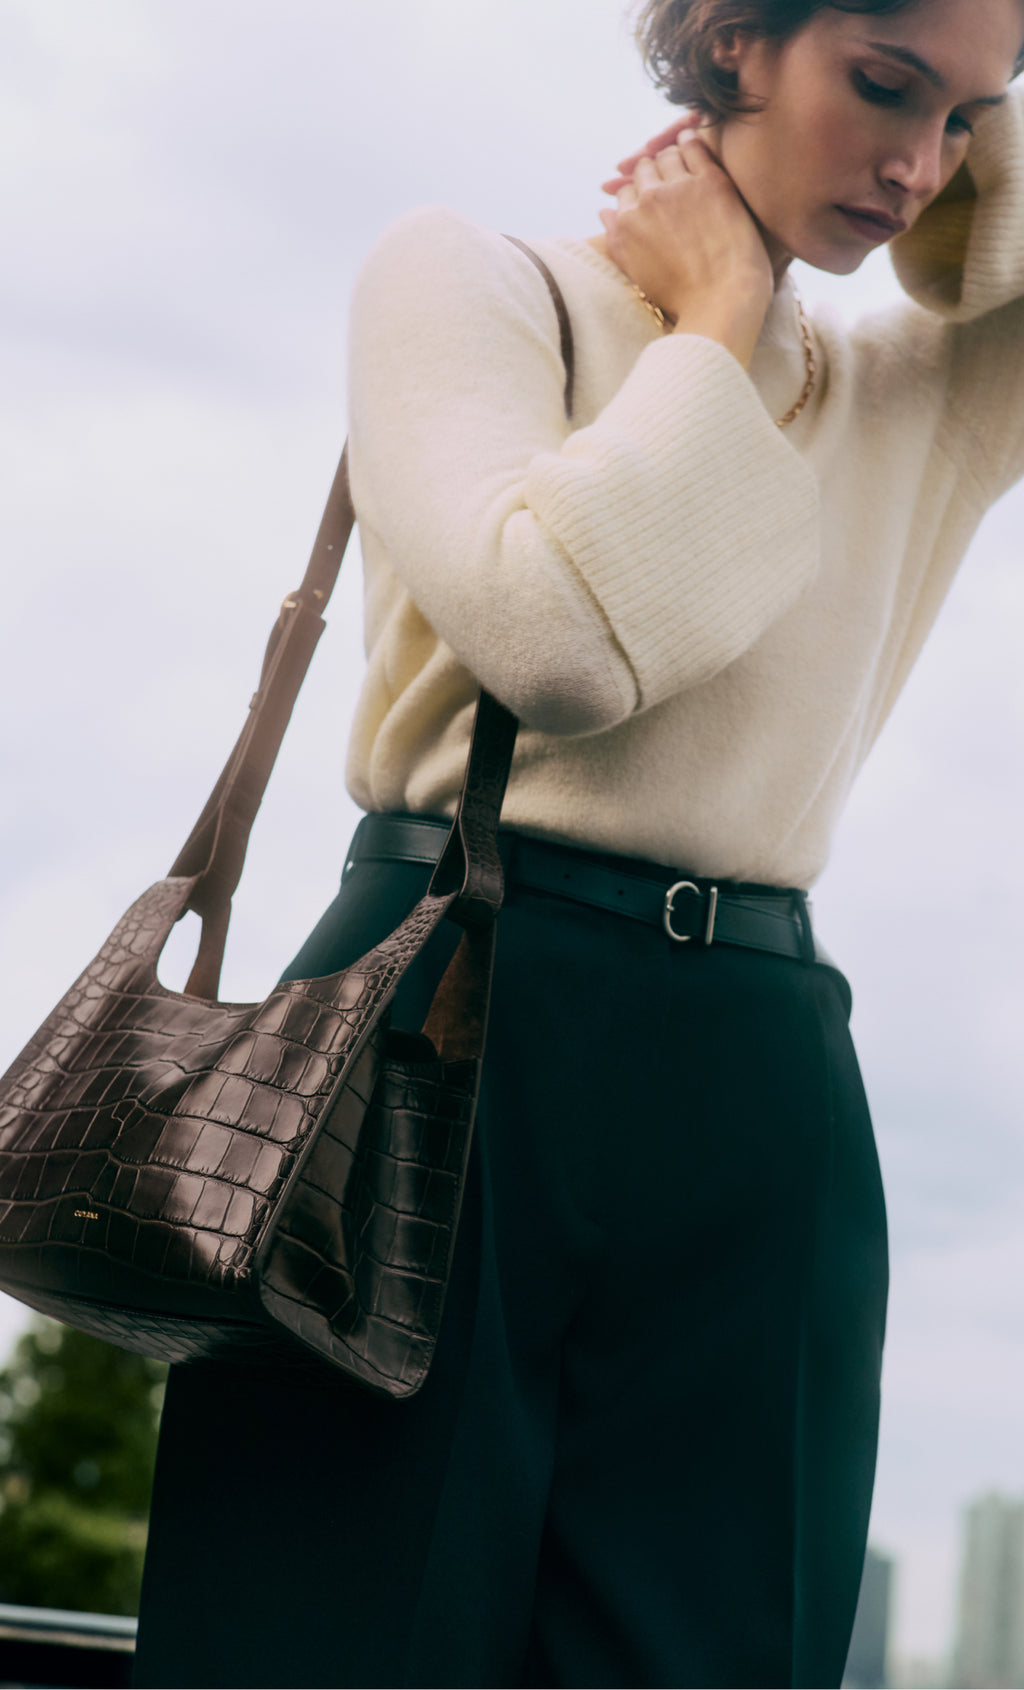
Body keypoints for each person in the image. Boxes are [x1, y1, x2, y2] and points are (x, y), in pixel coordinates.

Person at [132, 1, 1024, 1685]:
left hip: (759, 1071)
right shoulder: (472, 282)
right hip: (441, 1008)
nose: (918, 166)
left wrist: (969, 76)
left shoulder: (933, 387)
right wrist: (721, 323)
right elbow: (550, 642)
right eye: (884, 86)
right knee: (324, 1636)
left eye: (973, 121)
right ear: (738, 40)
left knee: (712, 1647)